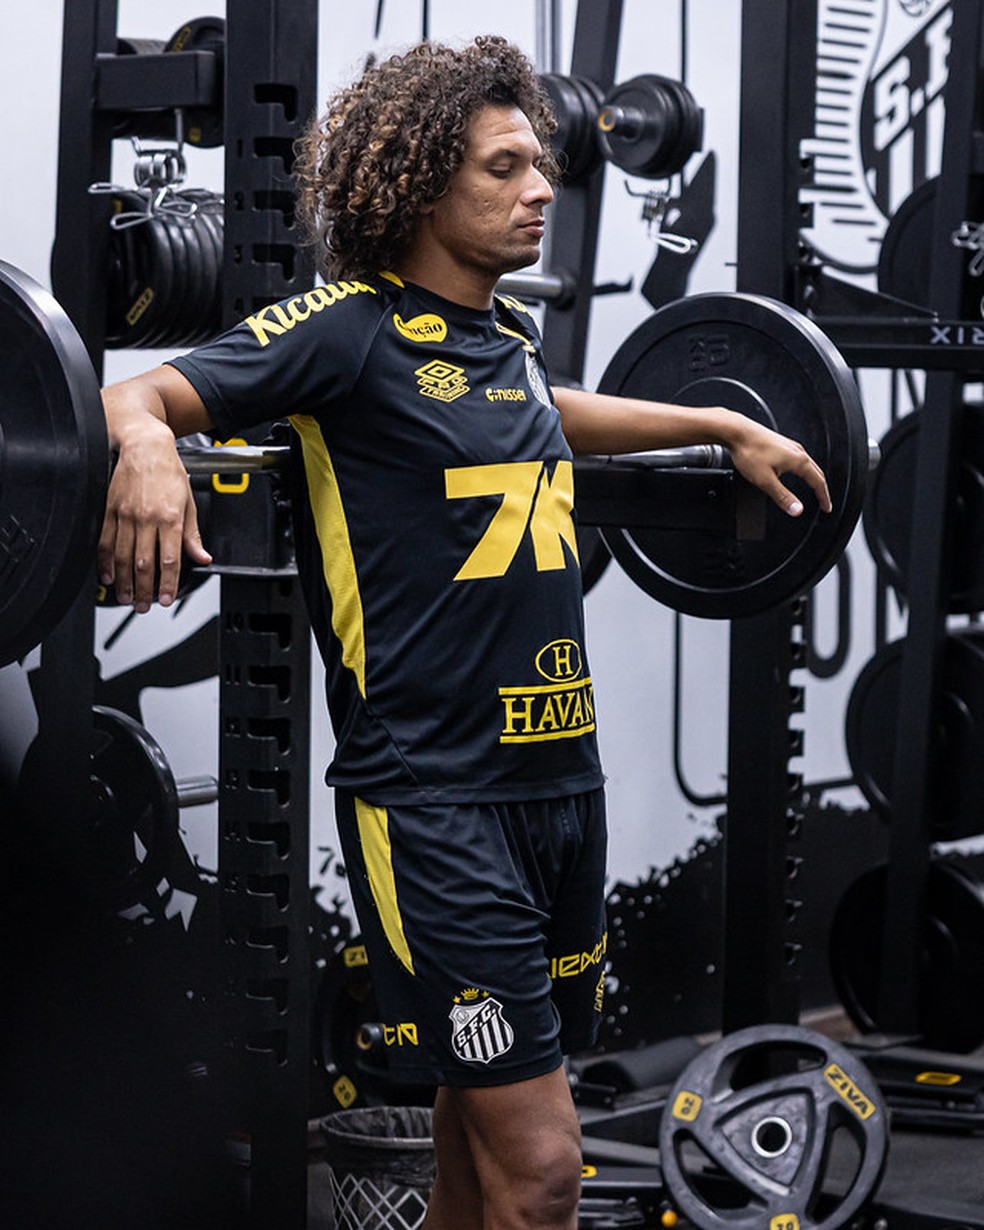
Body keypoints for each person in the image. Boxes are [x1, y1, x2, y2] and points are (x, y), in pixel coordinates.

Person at [99, 35, 831, 1230]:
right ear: (423, 183)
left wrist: (715, 420)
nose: (542, 187)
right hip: (434, 804)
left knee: (471, 1156)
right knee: (544, 1176)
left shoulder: (507, 342)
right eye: (505, 167)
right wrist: (142, 449)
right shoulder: (343, 331)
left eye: (541, 163)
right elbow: (138, 396)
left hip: (559, 790)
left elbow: (550, 415)